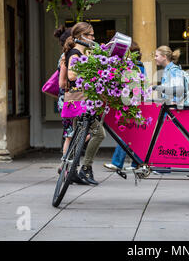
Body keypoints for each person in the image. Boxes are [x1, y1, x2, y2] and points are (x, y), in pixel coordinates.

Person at [64, 22, 106, 186]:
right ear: (81, 35)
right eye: (90, 35)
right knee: (99, 133)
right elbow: (72, 76)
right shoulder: (75, 54)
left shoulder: (83, 53)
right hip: (79, 100)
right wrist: (89, 68)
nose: (93, 38)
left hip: (79, 100)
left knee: (78, 135)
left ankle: (72, 171)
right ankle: (85, 168)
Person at [104, 42, 145, 171]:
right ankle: (136, 163)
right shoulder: (139, 66)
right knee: (133, 134)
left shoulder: (134, 67)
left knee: (127, 134)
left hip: (130, 103)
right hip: (134, 102)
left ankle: (118, 163)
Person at [54, 26, 73, 157]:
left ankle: (67, 165)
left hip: (65, 99)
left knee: (69, 135)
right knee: (70, 135)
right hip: (67, 99)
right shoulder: (66, 56)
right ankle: (66, 164)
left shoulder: (65, 55)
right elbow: (62, 83)